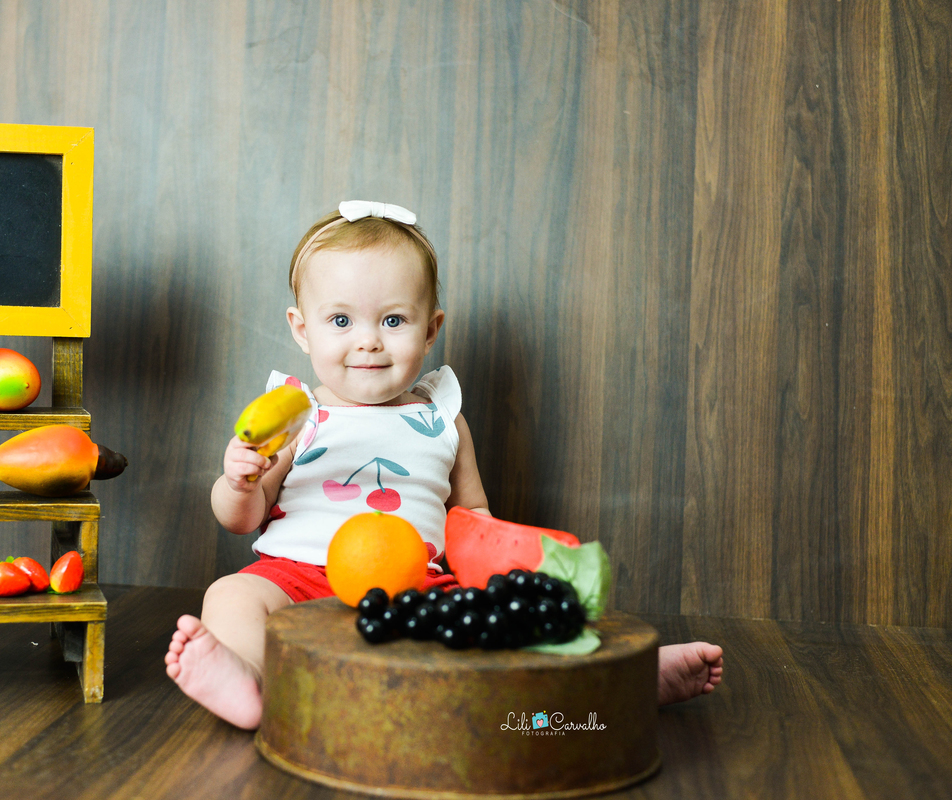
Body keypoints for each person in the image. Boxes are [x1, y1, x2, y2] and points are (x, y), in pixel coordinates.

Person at [165, 201, 723, 729]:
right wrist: (240, 480)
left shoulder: (441, 416)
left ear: (430, 330)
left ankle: (618, 682)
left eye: (392, 321)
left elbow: (471, 513)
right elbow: (242, 518)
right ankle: (249, 682)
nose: (367, 343)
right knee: (230, 596)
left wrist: (506, 580)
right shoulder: (295, 414)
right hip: (295, 578)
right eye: (340, 321)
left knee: (507, 619)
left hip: (418, 583)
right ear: (301, 328)